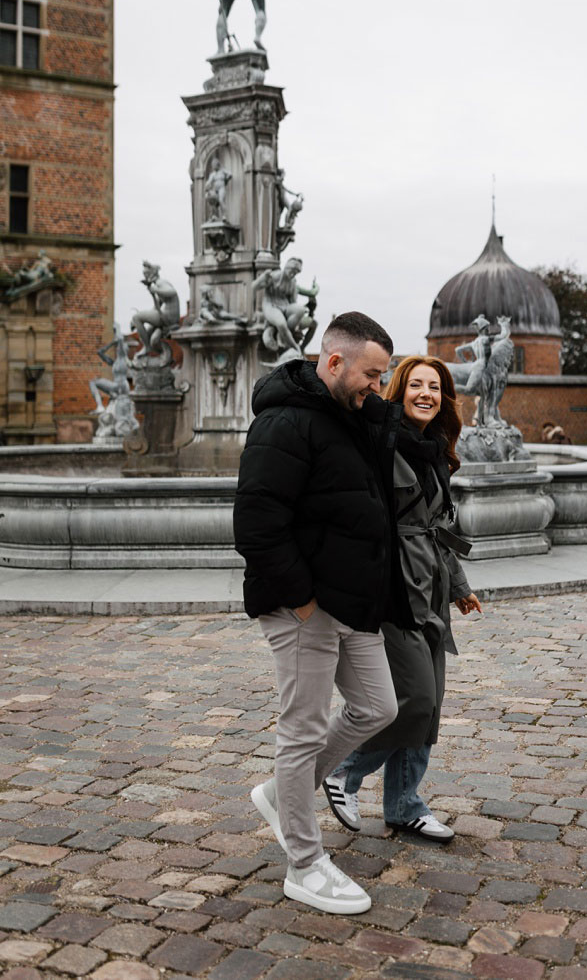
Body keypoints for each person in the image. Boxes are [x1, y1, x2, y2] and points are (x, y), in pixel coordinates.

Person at [234, 311, 406, 914]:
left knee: (378, 706)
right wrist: (303, 602)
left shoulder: (352, 418)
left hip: (350, 603)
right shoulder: (284, 423)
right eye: (373, 375)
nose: (378, 388)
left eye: (383, 378)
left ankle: (285, 796)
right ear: (333, 363)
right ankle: (303, 864)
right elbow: (256, 524)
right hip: (303, 605)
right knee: (302, 729)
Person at [321, 356, 482, 843]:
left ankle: (404, 804)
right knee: (415, 700)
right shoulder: (381, 442)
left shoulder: (434, 449)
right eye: (416, 384)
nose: (426, 394)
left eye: (435, 386)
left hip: (428, 586)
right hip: (394, 589)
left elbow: (438, 527)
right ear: (399, 389)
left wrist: (459, 587)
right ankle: (342, 770)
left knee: (429, 708)